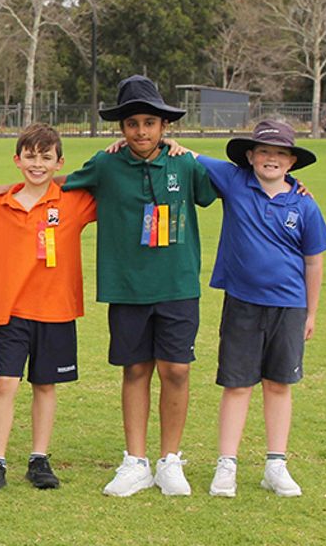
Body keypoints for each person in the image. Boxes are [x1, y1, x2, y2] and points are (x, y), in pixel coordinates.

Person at [61, 76, 217, 497]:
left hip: (177, 284)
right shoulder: (106, 163)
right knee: (135, 369)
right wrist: (12, 189)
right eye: (132, 124)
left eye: (150, 123)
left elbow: (228, 185)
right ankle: (136, 461)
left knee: (177, 370)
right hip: (127, 286)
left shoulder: (184, 164)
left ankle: (170, 461)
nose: (141, 131)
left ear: (165, 126)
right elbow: (59, 186)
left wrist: (194, 154)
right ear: (121, 128)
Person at [170, 121, 326, 498]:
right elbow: (187, 155)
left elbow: (314, 262)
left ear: (291, 162)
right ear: (250, 156)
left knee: (278, 384)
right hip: (242, 303)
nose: (271, 159)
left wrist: (311, 313)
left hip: (289, 306)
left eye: (280, 154)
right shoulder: (234, 181)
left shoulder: (304, 204)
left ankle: (276, 465)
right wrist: (170, 142)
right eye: (264, 152)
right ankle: (227, 464)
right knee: (237, 385)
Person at [0, 124, 96, 493]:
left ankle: (39, 459)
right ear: (17, 159)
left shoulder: (74, 202)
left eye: (46, 157)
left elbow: (109, 175)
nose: (38, 164)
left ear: (59, 163)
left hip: (57, 310)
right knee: (5, 383)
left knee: (45, 385)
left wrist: (116, 145)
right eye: (30, 157)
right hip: (11, 312)